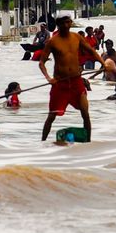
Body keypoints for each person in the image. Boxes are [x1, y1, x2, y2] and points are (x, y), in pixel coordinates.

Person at [38, 14, 99, 142]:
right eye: (62, 23)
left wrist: (104, 64)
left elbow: (92, 51)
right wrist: (49, 78)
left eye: (68, 22)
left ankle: (88, 142)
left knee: (85, 113)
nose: (66, 26)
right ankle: (42, 143)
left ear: (71, 22)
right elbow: (41, 63)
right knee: (51, 116)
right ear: (58, 25)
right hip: (60, 84)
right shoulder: (52, 41)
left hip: (76, 82)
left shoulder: (77, 37)